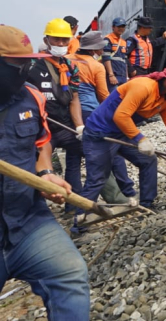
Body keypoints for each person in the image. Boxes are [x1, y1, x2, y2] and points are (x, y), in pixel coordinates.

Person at [0, 26, 90, 320]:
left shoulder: (30, 97)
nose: (24, 70)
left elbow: (41, 145)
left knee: (70, 274)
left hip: (27, 219)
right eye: (15, 65)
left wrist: (45, 173)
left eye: (27, 62)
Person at [75, 64, 166, 222]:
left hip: (122, 132)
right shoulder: (143, 87)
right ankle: (79, 222)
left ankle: (146, 205)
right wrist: (140, 139)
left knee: (148, 160)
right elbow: (120, 116)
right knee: (98, 178)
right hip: (99, 134)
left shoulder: (165, 99)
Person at [69, 31, 137, 204]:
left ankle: (72, 202)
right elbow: (103, 95)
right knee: (113, 151)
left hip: (71, 113)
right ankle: (126, 192)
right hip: (91, 112)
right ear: (95, 49)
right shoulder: (96, 66)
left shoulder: (67, 59)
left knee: (73, 158)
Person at [26, 18, 85, 211]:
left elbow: (74, 98)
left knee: (77, 159)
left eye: (64, 40)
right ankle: (38, 210)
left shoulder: (71, 67)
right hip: (42, 128)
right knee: (41, 169)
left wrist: (79, 126)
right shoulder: (33, 64)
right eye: (56, 39)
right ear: (47, 39)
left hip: (65, 125)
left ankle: (74, 207)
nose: (60, 44)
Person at [103, 16, 129, 90]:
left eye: (123, 26)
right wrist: (111, 75)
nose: (121, 28)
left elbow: (125, 61)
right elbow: (106, 58)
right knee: (114, 99)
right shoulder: (108, 39)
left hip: (123, 77)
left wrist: (126, 77)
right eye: (119, 26)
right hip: (114, 76)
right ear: (113, 27)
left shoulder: (123, 42)